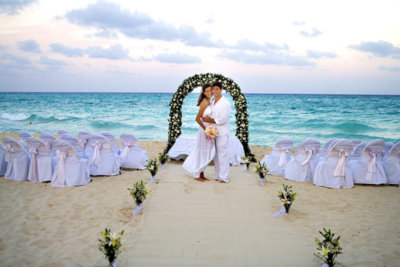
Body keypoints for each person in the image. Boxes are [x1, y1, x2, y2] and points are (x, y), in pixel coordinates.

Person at [183, 84, 215, 182]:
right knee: (203, 151)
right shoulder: (205, 102)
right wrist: (206, 129)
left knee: (207, 151)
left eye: (210, 91)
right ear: (204, 93)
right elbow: (197, 118)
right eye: (207, 91)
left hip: (208, 128)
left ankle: (201, 173)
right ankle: (198, 174)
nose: (209, 93)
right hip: (204, 130)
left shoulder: (210, 102)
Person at [203, 81, 231, 183]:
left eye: (217, 89)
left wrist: (209, 120)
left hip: (222, 131)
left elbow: (222, 119)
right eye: (213, 89)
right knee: (216, 154)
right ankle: (218, 175)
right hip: (213, 131)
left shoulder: (225, 103)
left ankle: (224, 177)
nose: (215, 91)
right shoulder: (212, 102)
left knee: (223, 153)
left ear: (221, 90)